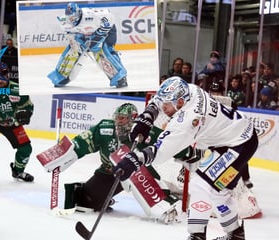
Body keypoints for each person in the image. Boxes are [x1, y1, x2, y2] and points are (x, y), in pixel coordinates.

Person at [113, 76, 258, 239]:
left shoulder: (189, 120)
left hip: (240, 144)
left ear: (180, 102)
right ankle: (236, 234)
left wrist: (133, 160)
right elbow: (160, 100)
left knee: (201, 185)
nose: (164, 108)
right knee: (219, 191)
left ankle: (196, 236)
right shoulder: (188, 89)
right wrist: (148, 116)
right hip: (230, 139)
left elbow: (160, 153)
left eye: (167, 105)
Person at [39, 102, 208, 224]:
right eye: (117, 118)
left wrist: (190, 154)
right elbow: (82, 142)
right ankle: (104, 197)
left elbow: (169, 143)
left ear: (132, 119)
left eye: (122, 119)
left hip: (136, 172)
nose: (118, 122)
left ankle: (164, 203)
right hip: (109, 172)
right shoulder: (105, 128)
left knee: (136, 169)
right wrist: (64, 154)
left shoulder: (144, 130)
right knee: (85, 202)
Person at [48, 2, 128, 88]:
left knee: (102, 51)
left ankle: (120, 78)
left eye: (73, 17)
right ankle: (62, 76)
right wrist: (73, 41)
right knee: (74, 51)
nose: (71, 20)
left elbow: (110, 20)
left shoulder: (90, 16)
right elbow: (70, 34)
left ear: (78, 13)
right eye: (69, 18)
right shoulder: (64, 21)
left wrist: (97, 37)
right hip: (83, 34)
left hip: (105, 31)